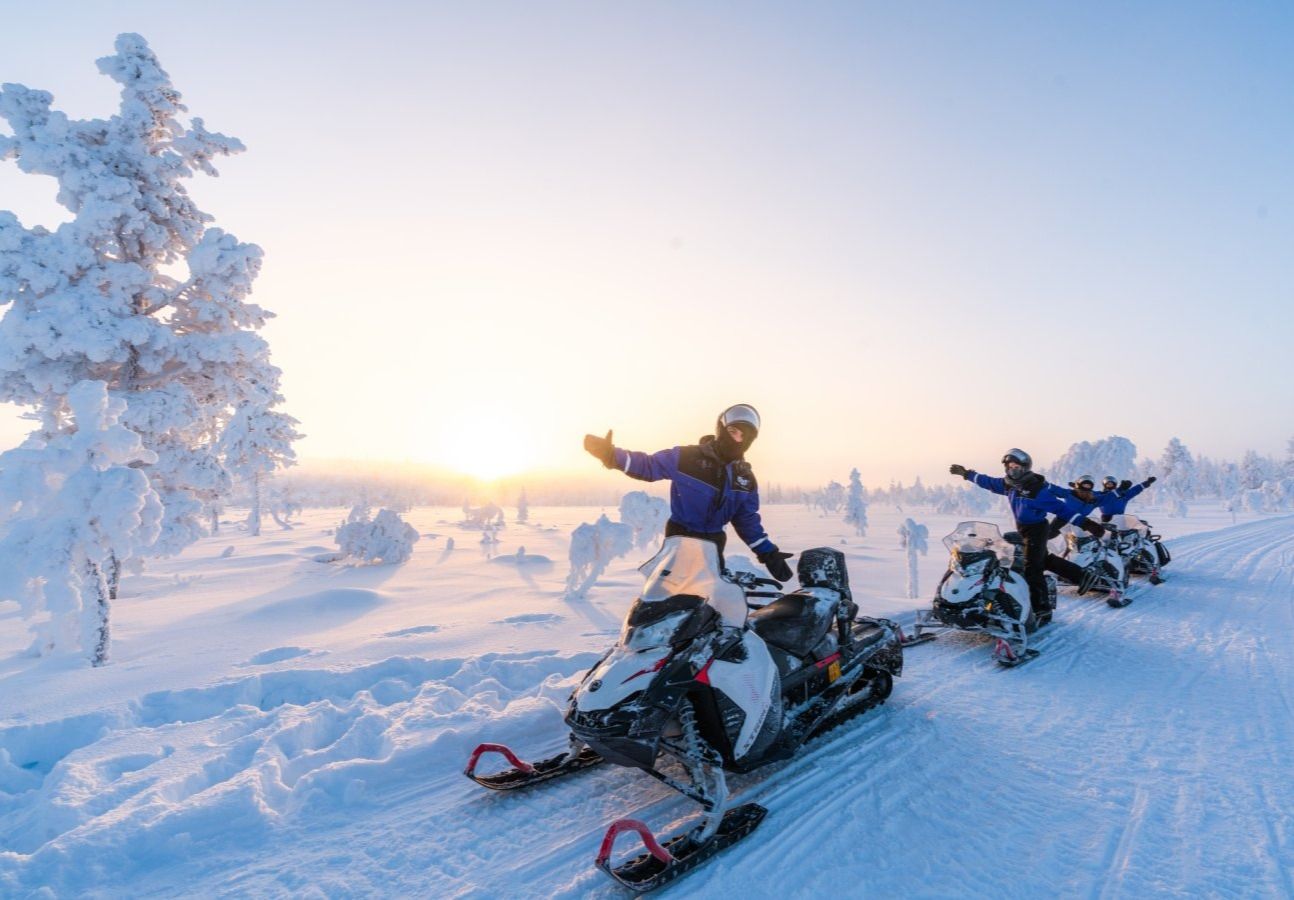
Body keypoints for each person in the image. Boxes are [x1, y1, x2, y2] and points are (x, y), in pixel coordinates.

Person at [583, 404, 795, 584]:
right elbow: (648, 465)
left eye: (745, 436)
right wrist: (611, 455)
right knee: (667, 599)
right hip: (680, 540)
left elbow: (747, 520)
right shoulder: (687, 458)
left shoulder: (745, 478)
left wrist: (768, 553)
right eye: (734, 432)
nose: (739, 440)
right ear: (721, 429)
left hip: (713, 545)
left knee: (712, 604)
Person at [950, 449, 1106, 620]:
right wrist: (967, 474)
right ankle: (1083, 576)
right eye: (1009, 467)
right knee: (1042, 559)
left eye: (1016, 466)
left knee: (1032, 568)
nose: (1012, 470)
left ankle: (1042, 609)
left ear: (1025, 467)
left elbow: (1062, 509)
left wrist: (1088, 524)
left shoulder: (1037, 491)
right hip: (1023, 528)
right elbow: (989, 482)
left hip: (1037, 529)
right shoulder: (1009, 484)